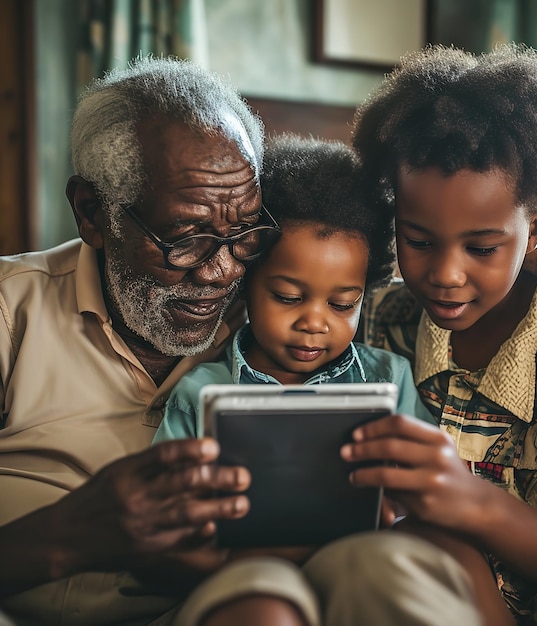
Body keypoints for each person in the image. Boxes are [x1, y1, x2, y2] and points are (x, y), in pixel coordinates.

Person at [0, 56, 485, 626]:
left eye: (245, 234)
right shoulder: (12, 312)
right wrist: (70, 536)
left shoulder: (276, 316)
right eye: (185, 238)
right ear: (92, 212)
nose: (220, 273)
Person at [345, 43, 537, 626]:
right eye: (418, 241)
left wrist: (473, 505)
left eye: (481, 248)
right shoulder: (373, 322)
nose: (445, 275)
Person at [155, 134, 429, 444]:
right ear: (245, 279)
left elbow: (429, 481)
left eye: (342, 304)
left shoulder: (390, 380)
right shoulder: (199, 394)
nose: (313, 323)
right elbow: (167, 489)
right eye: (288, 298)